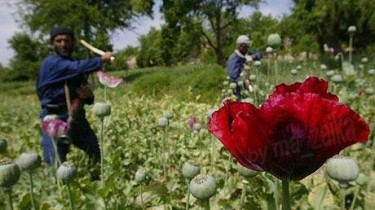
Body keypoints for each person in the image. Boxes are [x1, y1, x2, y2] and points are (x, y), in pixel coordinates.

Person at [36, 26, 113, 177]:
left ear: (72, 43)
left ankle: (97, 183)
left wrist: (88, 96)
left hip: (76, 117)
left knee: (94, 151)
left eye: (67, 40)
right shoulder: (51, 63)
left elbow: (85, 95)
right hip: (55, 118)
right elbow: (76, 68)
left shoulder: (73, 66)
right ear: (53, 44)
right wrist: (100, 60)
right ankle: (59, 194)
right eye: (59, 41)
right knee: (55, 162)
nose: (63, 44)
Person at [227, 35, 263, 101]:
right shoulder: (234, 59)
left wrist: (254, 57)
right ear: (241, 46)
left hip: (248, 86)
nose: (247, 49)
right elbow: (233, 76)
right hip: (238, 90)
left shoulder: (246, 53)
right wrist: (245, 81)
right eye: (246, 47)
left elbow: (260, 54)